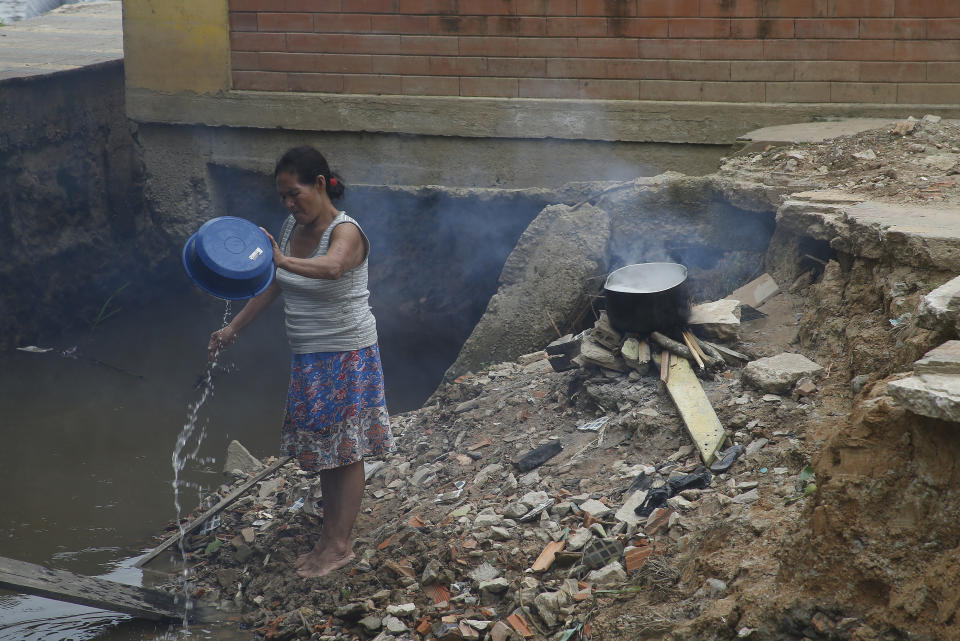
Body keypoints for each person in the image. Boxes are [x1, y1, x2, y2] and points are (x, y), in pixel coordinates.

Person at [208, 146, 394, 578]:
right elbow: (273, 283)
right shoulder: (291, 226)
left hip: (347, 353)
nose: (290, 205)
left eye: (296, 194)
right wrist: (233, 328)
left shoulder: (346, 232)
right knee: (327, 450)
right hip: (309, 355)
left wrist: (282, 259)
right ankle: (329, 538)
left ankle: (339, 547)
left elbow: (330, 268)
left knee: (346, 451)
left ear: (321, 185)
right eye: (283, 198)